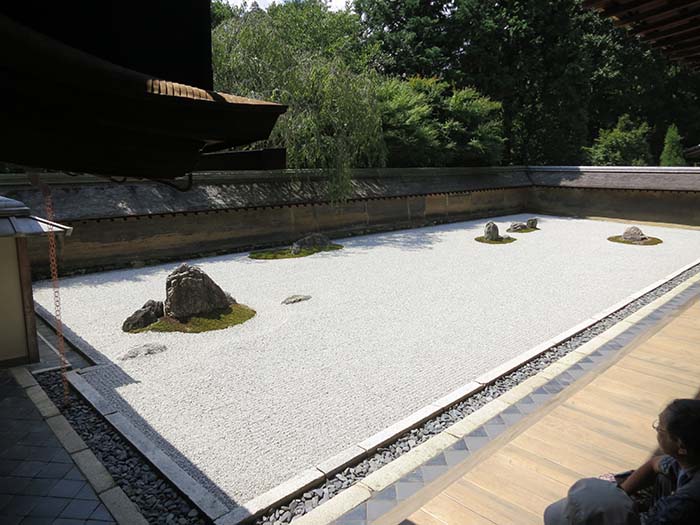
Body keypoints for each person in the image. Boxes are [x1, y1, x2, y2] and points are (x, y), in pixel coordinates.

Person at [544, 399, 700, 524]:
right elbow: (654, 464)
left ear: (680, 446)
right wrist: (620, 493)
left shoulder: (682, 505)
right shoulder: (688, 459)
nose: (657, 429)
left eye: (660, 428)